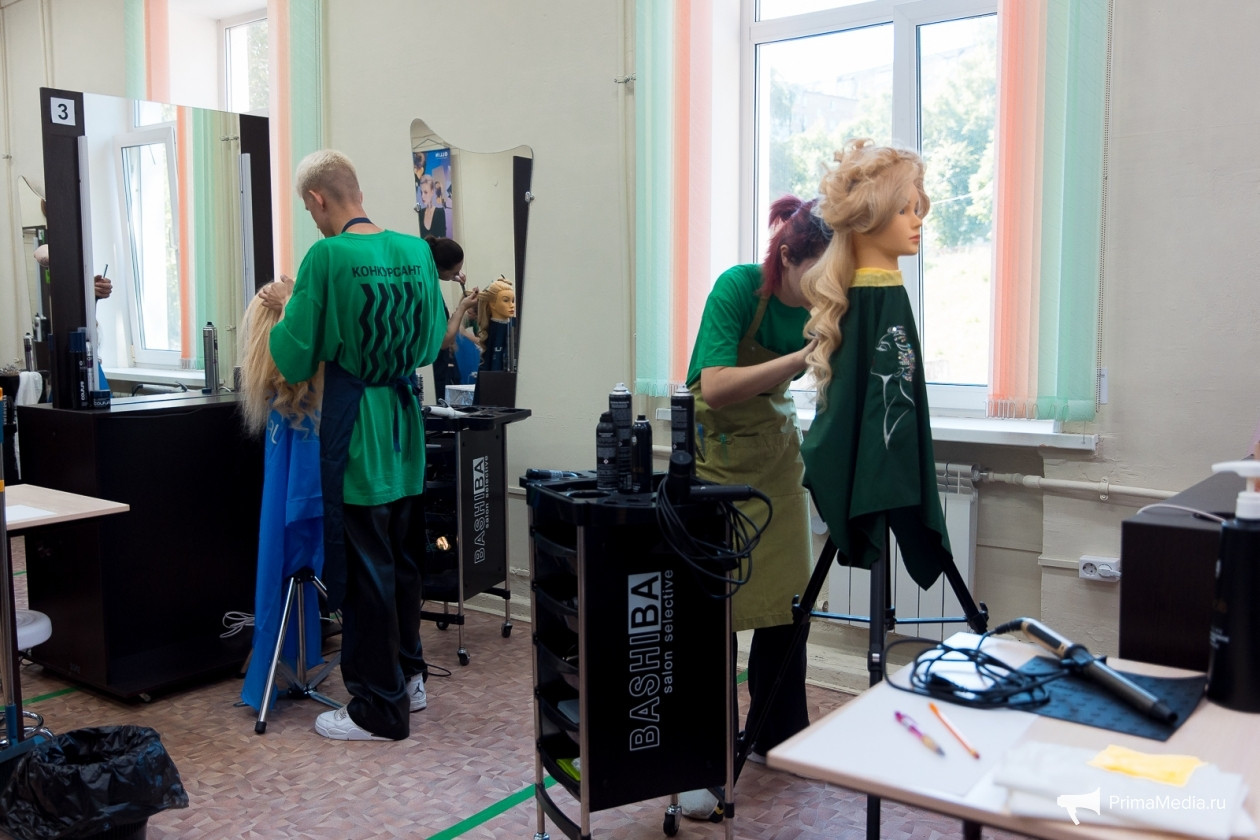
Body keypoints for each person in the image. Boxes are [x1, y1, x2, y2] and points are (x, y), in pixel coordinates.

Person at [261, 149, 446, 741]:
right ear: (358, 192)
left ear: (317, 199)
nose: (312, 220)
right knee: (404, 559)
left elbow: (293, 357)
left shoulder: (327, 257)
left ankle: (377, 707)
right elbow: (431, 342)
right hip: (405, 425)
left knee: (366, 567)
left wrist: (288, 306)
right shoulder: (417, 251)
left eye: (308, 209)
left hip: (358, 425)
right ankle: (409, 678)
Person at [684, 194, 832, 782]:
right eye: (818, 274)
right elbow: (717, 386)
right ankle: (708, 753)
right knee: (714, 616)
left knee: (789, 610)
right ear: (787, 256)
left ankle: (778, 736)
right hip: (718, 467)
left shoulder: (827, 305)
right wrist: (800, 357)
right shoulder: (739, 288)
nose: (826, 289)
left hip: (776, 462)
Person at [799, 139, 955, 603]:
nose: (917, 221)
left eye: (917, 209)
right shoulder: (873, 299)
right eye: (904, 210)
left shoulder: (887, 295)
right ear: (869, 217)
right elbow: (851, 411)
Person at [236, 290, 327, 714]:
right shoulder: (306, 398)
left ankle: (279, 661)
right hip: (310, 509)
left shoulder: (282, 405)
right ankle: (288, 659)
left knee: (279, 567)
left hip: (297, 516)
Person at [425, 235, 480, 399]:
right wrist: (462, 307)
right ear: (439, 268)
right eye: (455, 272)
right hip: (433, 366)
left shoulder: (429, 281)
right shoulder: (429, 293)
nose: (459, 275)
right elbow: (443, 341)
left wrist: (451, 276)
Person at [475, 276, 517, 372]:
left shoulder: (514, 327)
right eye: (506, 300)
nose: (512, 305)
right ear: (492, 304)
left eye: (513, 301)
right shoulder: (493, 331)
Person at [417, 174, 447, 239]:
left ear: (432, 192)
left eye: (425, 192)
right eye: (421, 192)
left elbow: (443, 238)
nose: (422, 196)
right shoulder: (420, 213)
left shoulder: (440, 212)